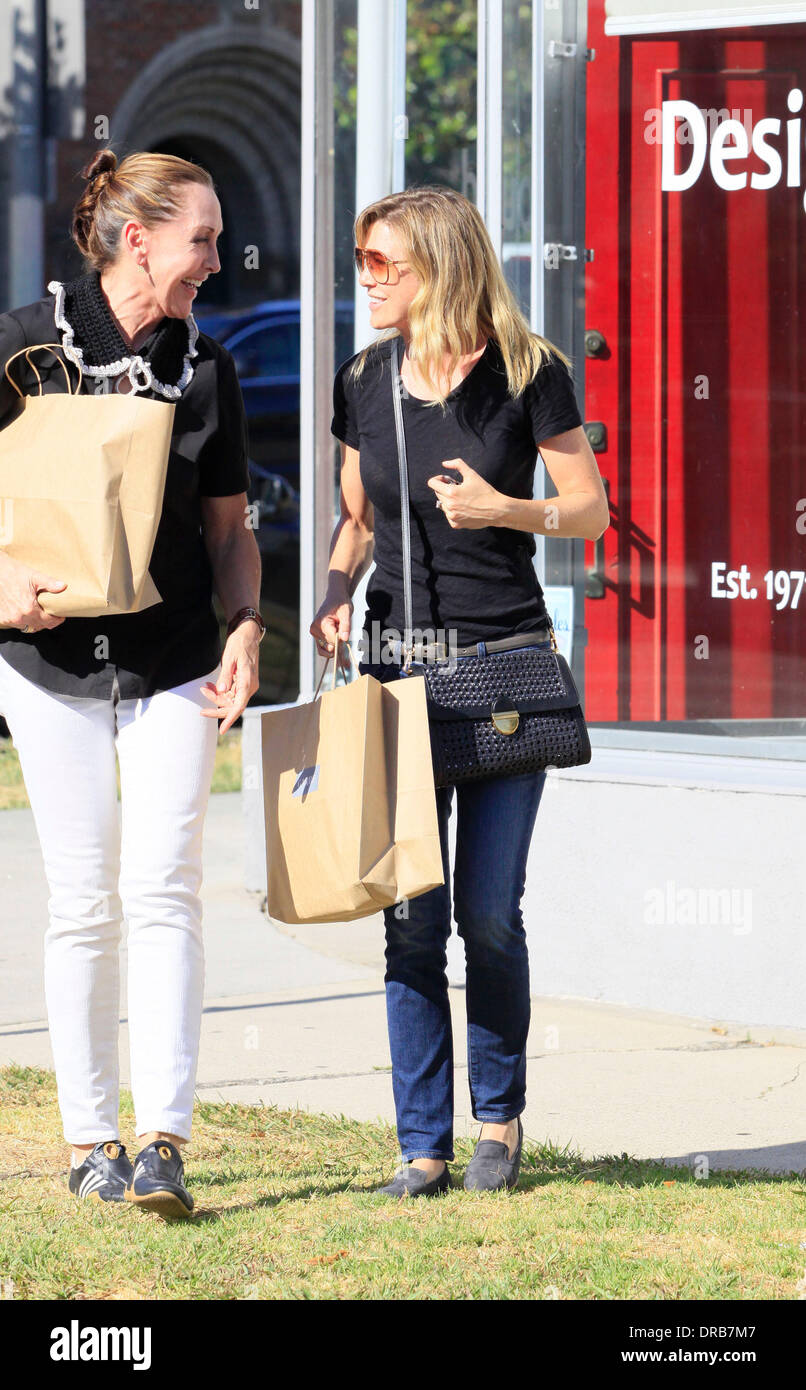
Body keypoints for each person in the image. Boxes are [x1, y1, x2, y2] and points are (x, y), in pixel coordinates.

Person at [313, 186, 609, 1197]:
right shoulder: (363, 379)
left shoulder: (530, 373)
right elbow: (355, 519)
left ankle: (498, 1120)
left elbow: (587, 513)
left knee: (485, 912)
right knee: (408, 917)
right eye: (360, 260)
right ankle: (420, 1144)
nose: (366, 278)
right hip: (398, 670)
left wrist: (503, 508)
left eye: (382, 261)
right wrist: (330, 592)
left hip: (505, 669)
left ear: (439, 263)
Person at [0, 148, 263, 1217]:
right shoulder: (21, 345)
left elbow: (231, 530)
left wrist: (248, 624)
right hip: (48, 666)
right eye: (201, 239)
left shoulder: (208, 368)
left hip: (173, 665)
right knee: (82, 901)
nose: (214, 261)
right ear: (138, 238)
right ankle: (88, 1139)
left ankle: (163, 1138)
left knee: (165, 889)